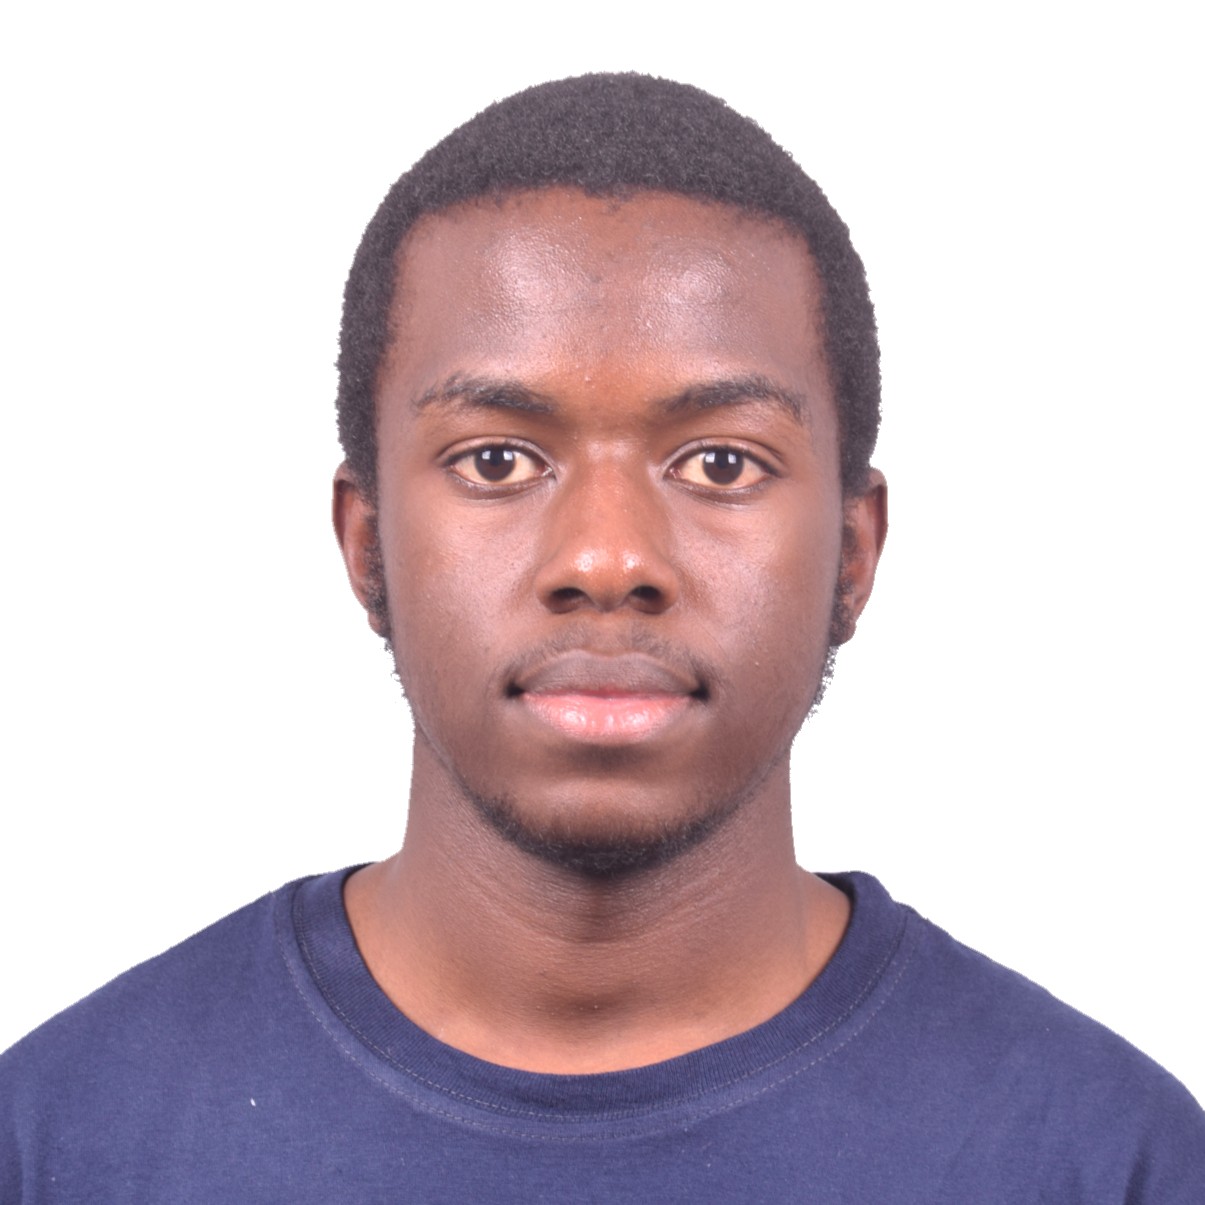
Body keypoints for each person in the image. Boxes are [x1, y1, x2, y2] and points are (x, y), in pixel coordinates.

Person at [2, 72, 1201, 1203]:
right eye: (496, 460)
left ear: (851, 551)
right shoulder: (61, 1141)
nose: (607, 558)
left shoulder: (1107, 1160)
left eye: (719, 463)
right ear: (366, 544)